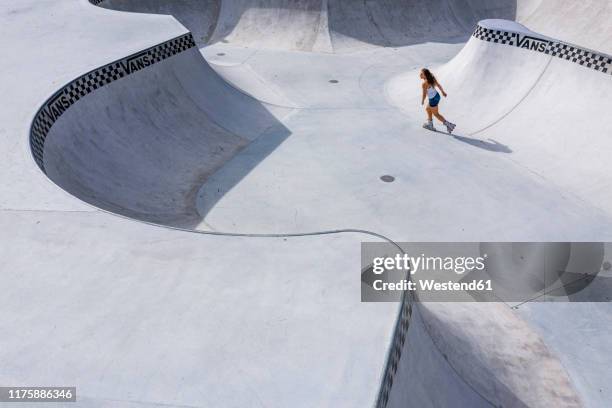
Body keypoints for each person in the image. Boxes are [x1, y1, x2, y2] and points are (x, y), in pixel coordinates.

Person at [420, 68, 456, 133]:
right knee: (428, 109)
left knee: (436, 114)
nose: (420, 74)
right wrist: (443, 92)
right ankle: (430, 124)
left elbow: (424, 94)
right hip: (437, 96)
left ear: (425, 75)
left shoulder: (424, 84)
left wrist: (422, 101)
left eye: (421, 73)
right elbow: (438, 85)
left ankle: (449, 125)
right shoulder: (432, 77)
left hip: (433, 99)